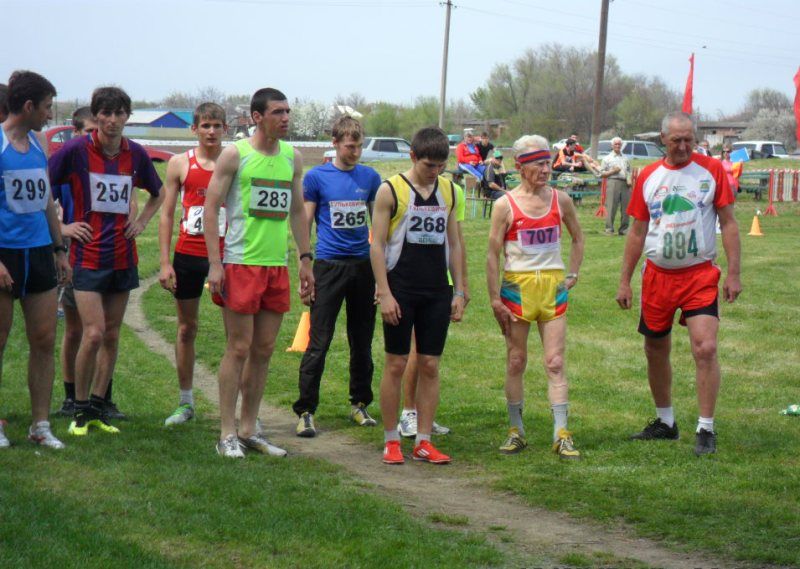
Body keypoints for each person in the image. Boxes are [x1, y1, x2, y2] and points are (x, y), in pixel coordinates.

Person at [616, 111, 741, 456]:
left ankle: (706, 427)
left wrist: (734, 273)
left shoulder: (711, 170)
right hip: (658, 277)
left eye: (689, 140)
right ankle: (665, 422)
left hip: (699, 275)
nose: (684, 146)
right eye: (677, 141)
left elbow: (729, 223)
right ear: (663, 139)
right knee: (655, 349)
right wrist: (624, 280)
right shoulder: (648, 176)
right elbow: (637, 231)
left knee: (705, 347)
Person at [204, 88, 314, 458]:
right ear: (257, 117)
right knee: (238, 348)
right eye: (277, 112)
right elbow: (211, 207)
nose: (285, 118)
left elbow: (296, 211)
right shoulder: (236, 154)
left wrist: (305, 258)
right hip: (240, 262)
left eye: (288, 111)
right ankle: (226, 432)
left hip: (275, 266)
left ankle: (249, 428)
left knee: (264, 349)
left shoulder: (292, 157)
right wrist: (215, 263)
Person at [49, 86, 164, 437]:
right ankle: (79, 408)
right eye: (106, 113)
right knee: (94, 333)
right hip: (87, 255)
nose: (112, 120)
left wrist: (141, 222)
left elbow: (158, 193)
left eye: (119, 113)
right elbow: (43, 189)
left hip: (122, 255)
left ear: (127, 116)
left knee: (112, 334)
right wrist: (64, 228)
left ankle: (98, 408)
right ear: (96, 115)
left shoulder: (136, 154)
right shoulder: (75, 151)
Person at [371, 126, 465, 465]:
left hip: (437, 290)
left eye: (441, 165)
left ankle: (424, 441)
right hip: (401, 288)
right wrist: (384, 292)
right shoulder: (390, 190)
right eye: (428, 165)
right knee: (396, 363)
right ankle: (391, 440)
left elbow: (455, 243)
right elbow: (377, 246)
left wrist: (460, 290)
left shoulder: (449, 191)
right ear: (413, 156)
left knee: (429, 364)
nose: (435, 171)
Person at [486, 135, 585, 459]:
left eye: (547, 163)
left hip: (552, 289)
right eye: (539, 164)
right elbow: (492, 254)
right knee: (516, 360)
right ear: (520, 167)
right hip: (517, 289)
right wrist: (495, 299)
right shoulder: (504, 205)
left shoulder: (561, 200)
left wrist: (572, 274)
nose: (546, 169)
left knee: (555, 362)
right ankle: (516, 430)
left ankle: (561, 433)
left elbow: (578, 237)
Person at [292, 116, 381, 437]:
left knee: (362, 341)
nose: (355, 152)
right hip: (329, 266)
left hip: (363, 267)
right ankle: (305, 410)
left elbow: (379, 227)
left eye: (359, 146)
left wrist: (381, 275)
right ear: (335, 143)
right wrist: (304, 263)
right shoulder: (317, 177)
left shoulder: (370, 177)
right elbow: (304, 222)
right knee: (319, 342)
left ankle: (360, 403)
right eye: (349, 146)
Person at [0, 70, 70, 450]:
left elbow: (45, 200)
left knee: (44, 340)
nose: (49, 114)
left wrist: (59, 249)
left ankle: (40, 425)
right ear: (28, 106)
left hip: (40, 251)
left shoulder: (40, 143)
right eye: (46, 107)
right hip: (4, 254)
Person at [158, 102, 227, 426]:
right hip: (188, 254)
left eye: (217, 126)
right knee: (186, 328)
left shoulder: (234, 162)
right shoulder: (179, 164)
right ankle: (185, 402)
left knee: (235, 335)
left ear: (225, 129)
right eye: (205, 126)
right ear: (194, 129)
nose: (211, 132)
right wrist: (164, 262)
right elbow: (167, 214)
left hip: (227, 257)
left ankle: (239, 408)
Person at [397, 175, 469, 439]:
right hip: (414, 280)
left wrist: (462, 285)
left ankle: (424, 415)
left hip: (442, 282)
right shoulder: (403, 188)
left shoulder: (453, 191)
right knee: (416, 350)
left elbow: (457, 240)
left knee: (430, 357)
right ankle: (408, 413)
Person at [599, 137, 632, 235]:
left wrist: (629, 179)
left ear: (621, 145)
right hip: (613, 182)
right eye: (615, 144)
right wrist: (612, 171)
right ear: (612, 145)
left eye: (619, 144)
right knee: (611, 207)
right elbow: (601, 173)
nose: (617, 146)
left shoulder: (625, 158)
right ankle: (609, 229)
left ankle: (624, 229)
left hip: (625, 183)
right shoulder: (607, 158)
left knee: (626, 208)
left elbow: (629, 171)